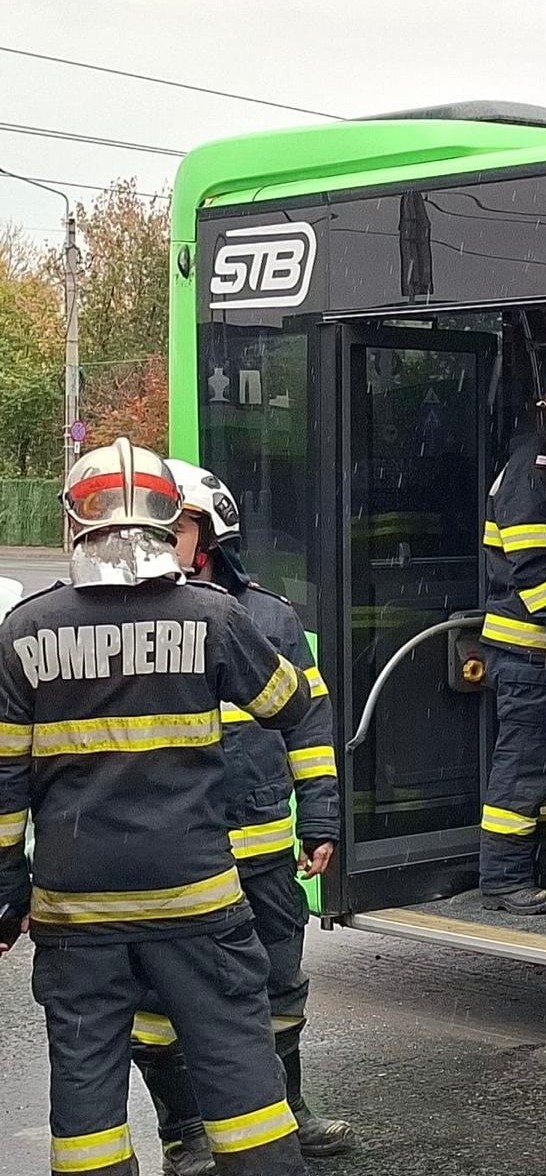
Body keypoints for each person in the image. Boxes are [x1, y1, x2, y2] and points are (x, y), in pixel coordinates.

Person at [0, 438, 312, 1176]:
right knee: (239, 1068)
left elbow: (4, 790)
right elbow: (286, 705)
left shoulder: (24, 632)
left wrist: (6, 905)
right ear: (171, 519)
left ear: (75, 521)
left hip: (77, 911)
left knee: (85, 1092)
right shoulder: (213, 615)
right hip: (196, 899)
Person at [126, 460, 354, 1175]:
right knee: (157, 1005)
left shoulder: (269, 618)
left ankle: (287, 1109)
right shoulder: (123, 618)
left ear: (211, 532)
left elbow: (309, 725)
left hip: (260, 853)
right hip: (169, 859)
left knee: (280, 985)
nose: (163, 539)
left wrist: (320, 817)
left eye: (178, 525)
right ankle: (184, 1131)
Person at [478, 375, 546, 915]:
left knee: (545, 765)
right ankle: (503, 879)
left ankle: (543, 870)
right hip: (526, 647)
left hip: (536, 650)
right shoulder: (535, 464)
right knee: (523, 764)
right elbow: (530, 561)